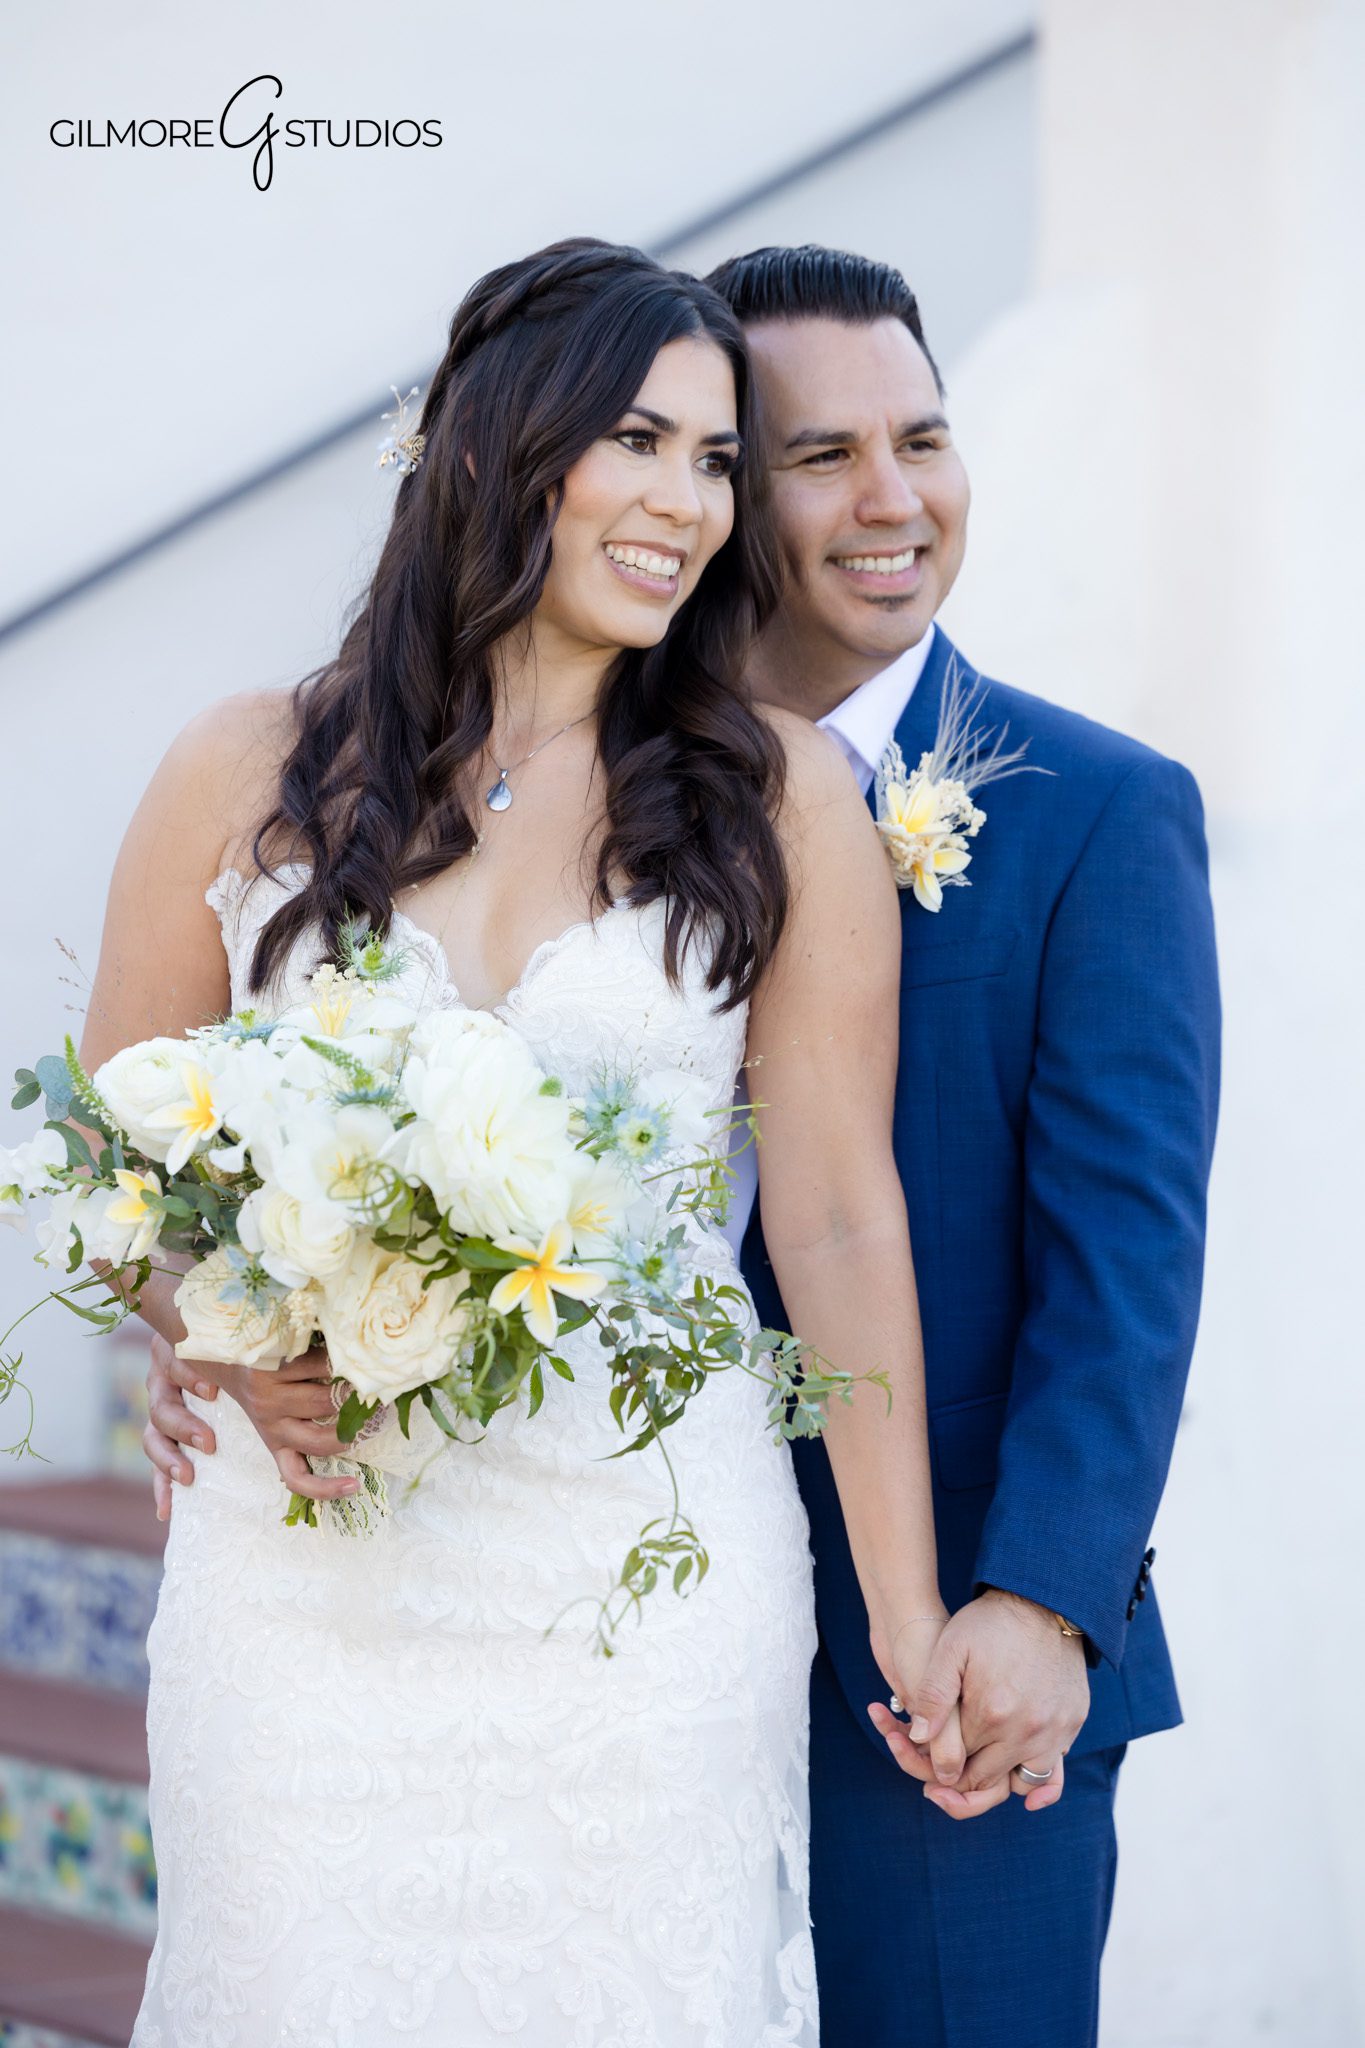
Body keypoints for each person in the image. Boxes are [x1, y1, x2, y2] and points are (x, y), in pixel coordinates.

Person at [88, 237, 969, 2047]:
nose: (686, 504)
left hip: (640, 1569)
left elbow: (832, 1216)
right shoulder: (242, 769)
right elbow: (122, 1161)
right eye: (640, 443)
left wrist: (905, 1604)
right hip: (308, 1573)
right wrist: (210, 1336)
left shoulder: (783, 793)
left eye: (717, 462)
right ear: (500, 447)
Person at [704, 244, 1221, 2048]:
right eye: (818, 453)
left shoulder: (1098, 813)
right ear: (713, 489)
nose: (891, 500)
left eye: (921, 439)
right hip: (627, 1634)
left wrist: (1043, 1601)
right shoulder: (588, 798)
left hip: (940, 1685)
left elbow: (1126, 1266)